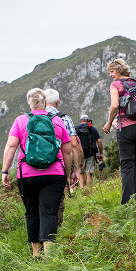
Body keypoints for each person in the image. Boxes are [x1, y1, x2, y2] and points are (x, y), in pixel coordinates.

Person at [2, 88, 72, 257]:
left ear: (29, 103)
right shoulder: (56, 121)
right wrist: (67, 176)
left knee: (32, 213)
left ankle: (36, 255)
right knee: (49, 214)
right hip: (54, 174)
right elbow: (67, 150)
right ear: (45, 102)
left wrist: (5, 171)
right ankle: (49, 256)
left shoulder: (20, 120)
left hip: (27, 175)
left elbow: (11, 146)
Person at [103, 58, 136, 204]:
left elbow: (115, 105)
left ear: (119, 71)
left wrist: (109, 123)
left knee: (126, 165)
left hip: (126, 128)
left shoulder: (116, 84)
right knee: (134, 163)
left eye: (112, 71)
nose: (111, 75)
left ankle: (127, 204)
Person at [44, 88, 81, 227]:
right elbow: (74, 145)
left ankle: (39, 239)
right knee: (57, 201)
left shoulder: (33, 117)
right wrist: (75, 169)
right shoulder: (64, 118)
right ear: (58, 102)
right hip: (57, 167)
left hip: (35, 168)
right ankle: (54, 234)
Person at [76, 114, 104, 188]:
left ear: (80, 121)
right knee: (89, 173)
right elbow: (99, 142)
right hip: (90, 154)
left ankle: (82, 190)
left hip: (79, 154)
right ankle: (88, 190)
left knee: (81, 173)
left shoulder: (76, 129)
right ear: (88, 121)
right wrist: (101, 153)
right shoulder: (92, 129)